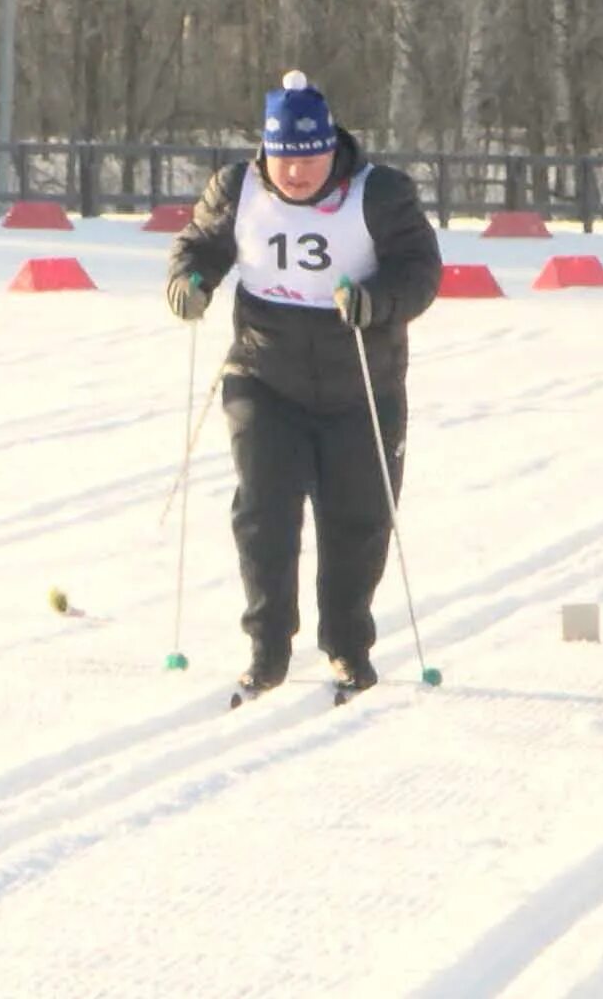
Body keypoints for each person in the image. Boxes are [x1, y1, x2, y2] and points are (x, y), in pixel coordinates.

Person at [166, 70, 441, 697]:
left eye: (310, 157)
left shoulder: (380, 194)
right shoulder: (236, 190)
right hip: (266, 376)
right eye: (285, 159)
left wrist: (377, 300)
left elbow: (420, 270)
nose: (297, 174)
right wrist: (190, 282)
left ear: (332, 147)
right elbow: (199, 245)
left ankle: (347, 646)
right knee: (264, 510)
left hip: (361, 384)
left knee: (359, 519)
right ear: (267, 153)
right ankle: (267, 648)